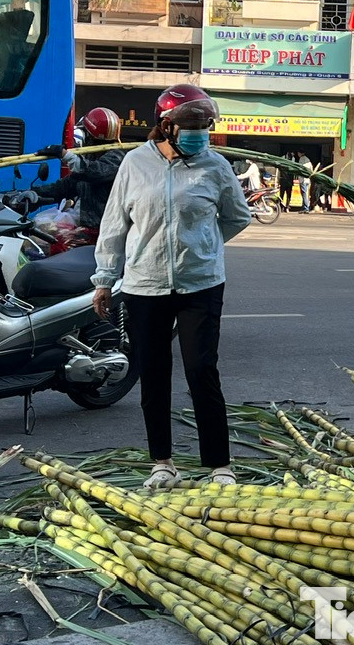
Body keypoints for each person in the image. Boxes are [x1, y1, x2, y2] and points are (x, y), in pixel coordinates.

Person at [92, 84, 252, 489]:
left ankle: (219, 465)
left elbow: (237, 217)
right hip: (145, 284)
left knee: (201, 370)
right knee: (155, 373)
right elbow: (115, 225)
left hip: (200, 284)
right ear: (166, 126)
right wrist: (105, 279)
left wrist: (202, 246)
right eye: (192, 124)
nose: (201, 131)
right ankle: (162, 462)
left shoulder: (215, 166)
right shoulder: (134, 164)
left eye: (205, 125)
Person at [15, 107, 126, 237]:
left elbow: (95, 172)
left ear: (87, 136)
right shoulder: (90, 159)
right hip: (83, 229)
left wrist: (65, 155)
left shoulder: (117, 158)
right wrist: (34, 194)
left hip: (103, 234)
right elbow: (65, 186)